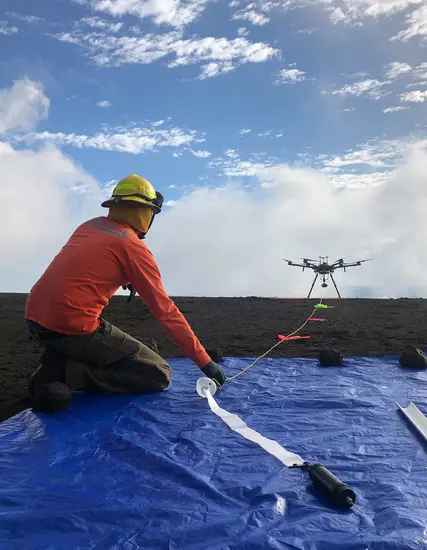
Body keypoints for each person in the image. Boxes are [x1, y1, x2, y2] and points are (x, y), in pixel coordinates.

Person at [25, 174, 226, 414]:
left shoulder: (90, 226)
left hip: (35, 318)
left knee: (113, 345)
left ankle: (61, 359)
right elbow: (167, 313)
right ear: (146, 212)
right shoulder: (133, 248)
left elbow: (87, 265)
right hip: (73, 327)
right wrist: (205, 363)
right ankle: (68, 372)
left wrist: (128, 276)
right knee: (159, 374)